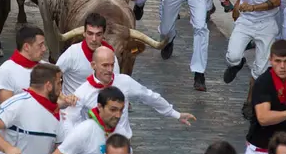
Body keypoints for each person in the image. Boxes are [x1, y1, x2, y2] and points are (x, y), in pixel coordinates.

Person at [64, 47, 196, 138]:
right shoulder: (82, 92)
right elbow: (69, 119)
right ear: (93, 65)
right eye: (105, 65)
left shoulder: (124, 82)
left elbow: (149, 96)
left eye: (112, 65)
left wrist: (175, 114)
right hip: (96, 150)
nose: (110, 69)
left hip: (123, 146)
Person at [223, 0, 283, 115]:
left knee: (260, 68)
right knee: (232, 56)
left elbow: (276, 0)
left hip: (266, 24)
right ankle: (237, 63)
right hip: (245, 21)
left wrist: (253, 7)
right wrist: (237, 4)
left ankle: (250, 101)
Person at [0, 63, 73, 154]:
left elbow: (58, 152)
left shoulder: (56, 114)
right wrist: (8, 148)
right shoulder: (18, 104)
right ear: (48, 86)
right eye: (58, 83)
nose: (60, 89)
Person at [44, 86, 126, 154]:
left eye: (121, 110)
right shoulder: (85, 130)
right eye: (113, 110)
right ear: (99, 107)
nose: (118, 115)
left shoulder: (122, 133)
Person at [56, 13, 121, 95]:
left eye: (98, 34)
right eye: (90, 34)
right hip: (72, 105)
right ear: (84, 33)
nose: (94, 39)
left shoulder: (110, 56)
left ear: (103, 35)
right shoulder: (72, 53)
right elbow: (52, 76)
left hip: (98, 106)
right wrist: (61, 97)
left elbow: (116, 84)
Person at [0, 25, 48, 102]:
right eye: (40, 45)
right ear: (26, 47)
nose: (44, 49)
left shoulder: (47, 68)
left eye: (44, 45)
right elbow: (7, 107)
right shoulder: (6, 70)